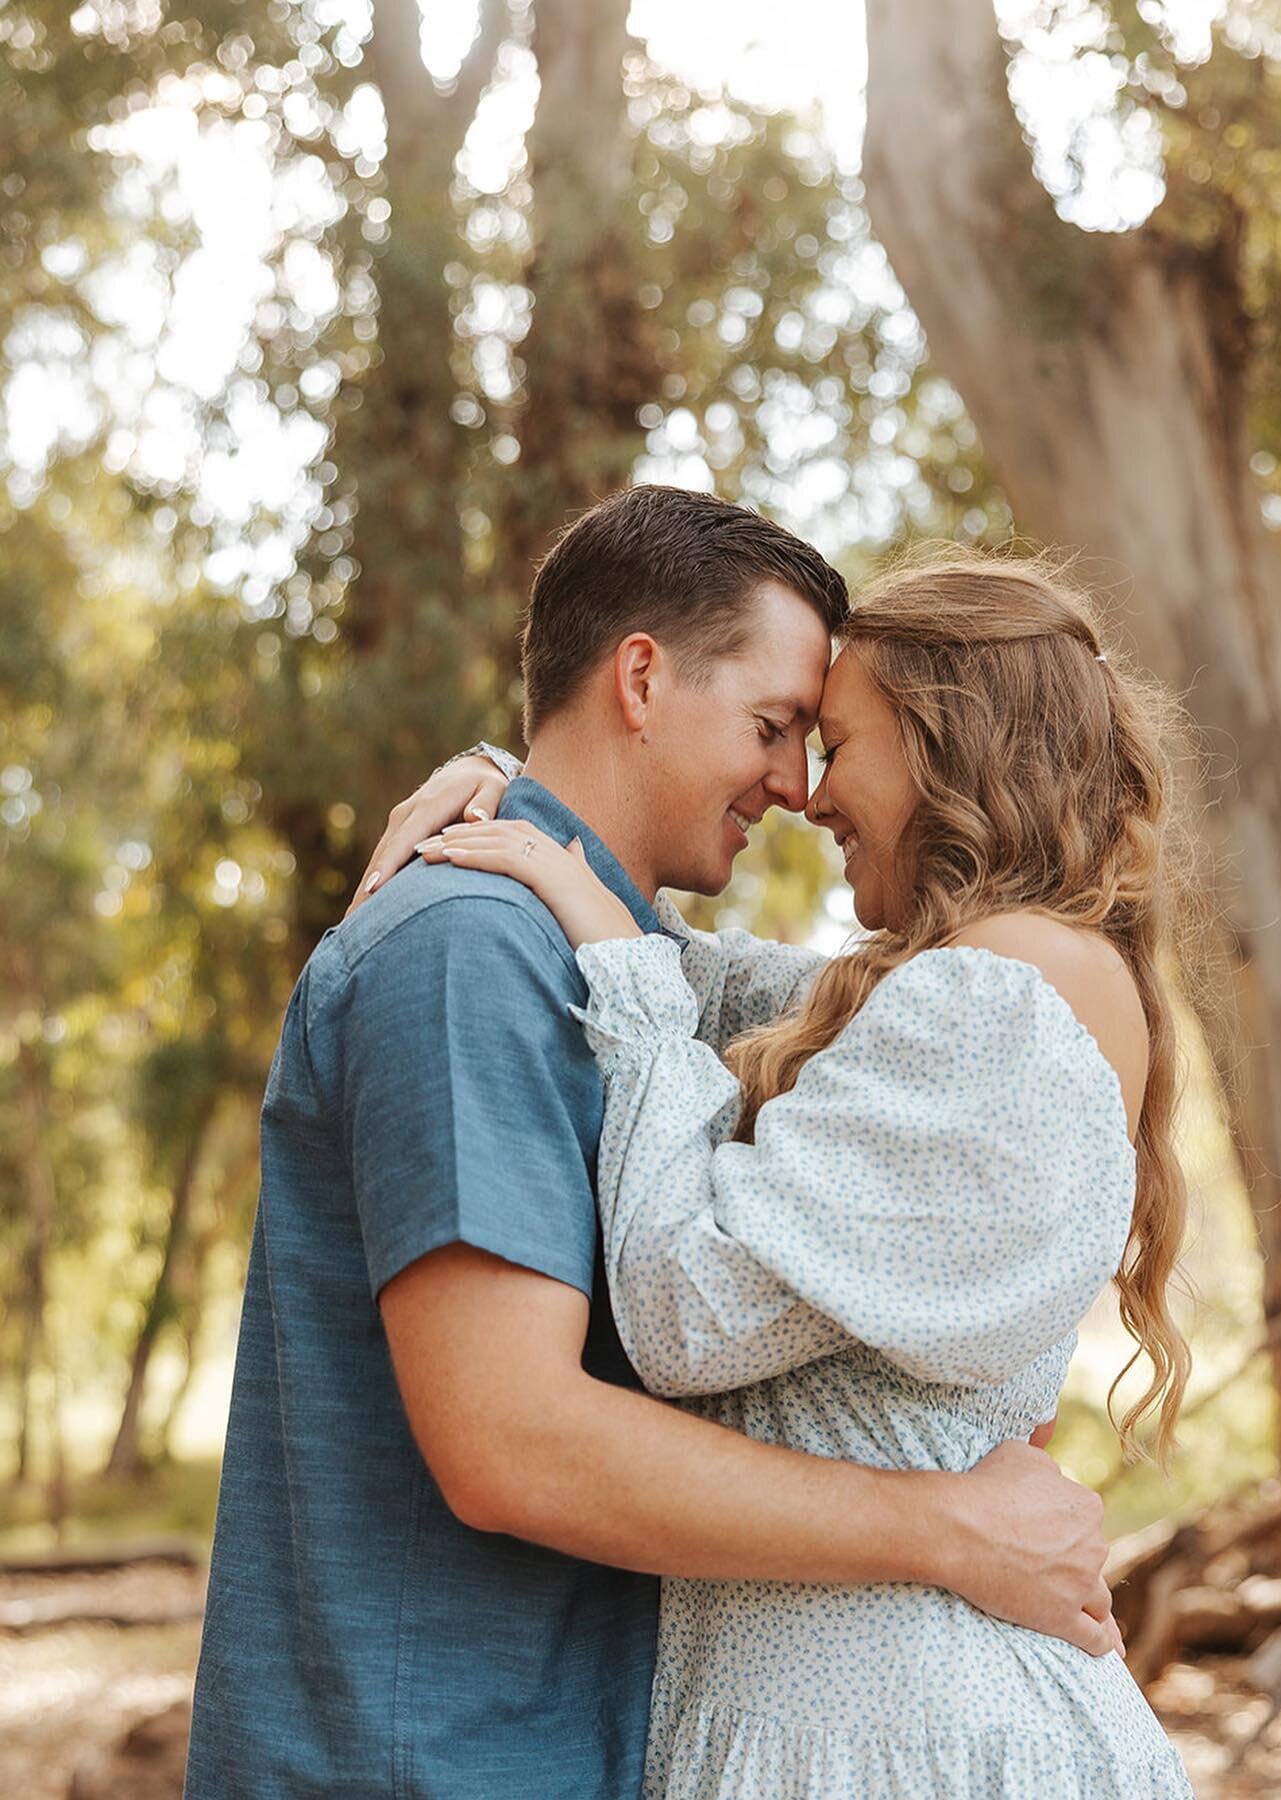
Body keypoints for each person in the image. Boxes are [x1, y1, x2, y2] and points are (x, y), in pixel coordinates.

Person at [185, 490, 1122, 1800]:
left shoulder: (615, 963)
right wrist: (942, 1528)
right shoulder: (470, 953)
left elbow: (904, 1024)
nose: (797, 787)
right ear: (640, 676)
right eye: (774, 726)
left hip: (575, 1741)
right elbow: (512, 1441)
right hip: (427, 1762)